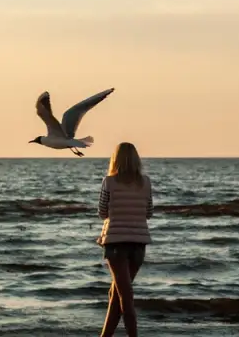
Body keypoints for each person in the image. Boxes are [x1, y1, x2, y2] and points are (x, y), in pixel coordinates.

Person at [97, 142, 153, 337]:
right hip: (138, 244)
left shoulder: (109, 182)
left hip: (116, 245)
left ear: (116, 159)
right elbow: (149, 212)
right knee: (117, 294)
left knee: (124, 296)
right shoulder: (145, 182)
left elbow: (102, 212)